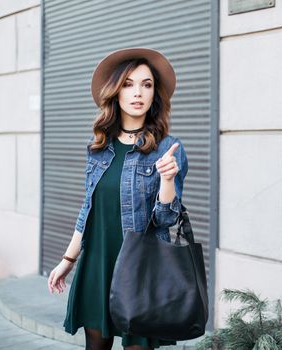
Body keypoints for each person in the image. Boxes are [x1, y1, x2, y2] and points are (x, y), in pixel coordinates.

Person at [47, 47, 188, 350]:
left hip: (141, 271)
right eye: (128, 84)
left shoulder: (169, 148)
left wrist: (167, 180)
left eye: (146, 84)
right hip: (98, 263)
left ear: (154, 95)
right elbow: (88, 209)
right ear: (115, 92)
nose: (138, 92)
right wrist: (67, 260)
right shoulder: (99, 146)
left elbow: (166, 220)